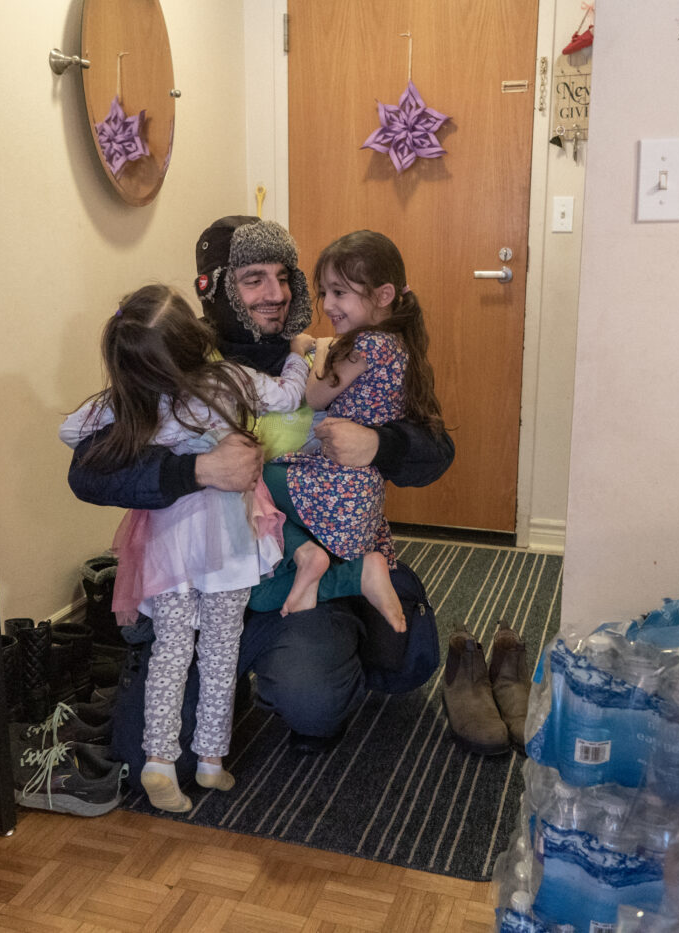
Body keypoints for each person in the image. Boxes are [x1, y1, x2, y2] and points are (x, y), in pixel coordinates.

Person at [66, 216, 454, 788]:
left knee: (312, 703)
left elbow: (437, 449)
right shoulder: (177, 354)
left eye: (284, 276)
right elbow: (90, 470)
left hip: (293, 583)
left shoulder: (330, 353)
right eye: (253, 279)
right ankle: (222, 697)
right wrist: (195, 469)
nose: (276, 294)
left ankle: (320, 635)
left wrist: (380, 443)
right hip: (202, 581)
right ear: (216, 287)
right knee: (148, 751)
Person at [69, 283, 313, 812]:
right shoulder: (234, 379)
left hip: (167, 546)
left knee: (170, 652)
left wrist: (134, 409)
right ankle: (209, 761)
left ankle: (159, 761)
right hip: (228, 542)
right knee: (220, 650)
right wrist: (297, 355)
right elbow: (291, 396)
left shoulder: (134, 402)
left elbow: (72, 432)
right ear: (199, 335)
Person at [264, 230, 445, 636]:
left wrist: (312, 352)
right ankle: (329, 566)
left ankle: (308, 555)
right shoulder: (399, 346)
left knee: (254, 480)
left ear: (382, 296)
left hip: (336, 493)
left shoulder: (363, 346)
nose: (327, 305)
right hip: (362, 501)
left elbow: (314, 394)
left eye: (339, 293)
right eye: (324, 292)